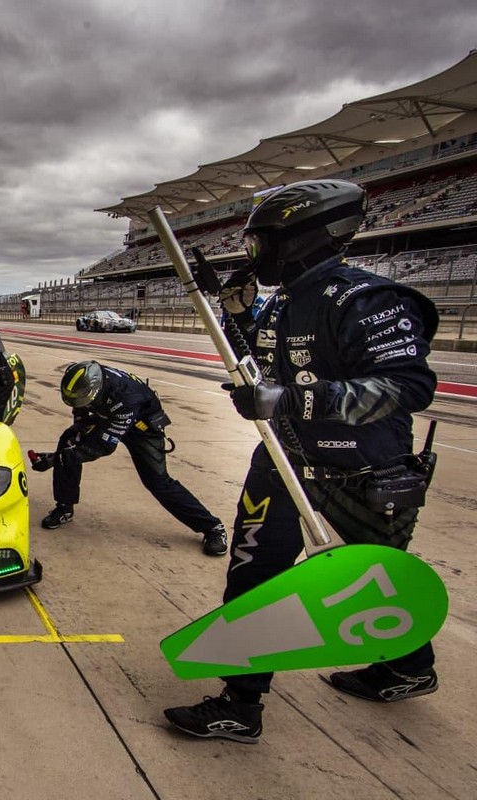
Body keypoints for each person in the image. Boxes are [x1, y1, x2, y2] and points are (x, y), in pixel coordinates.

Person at [164, 179, 440, 744]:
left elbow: (409, 385)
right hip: (283, 462)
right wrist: (234, 313)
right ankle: (240, 704)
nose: (252, 255)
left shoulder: (368, 300)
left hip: (361, 475)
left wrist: (288, 400)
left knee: (373, 584)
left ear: (301, 237)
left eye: (259, 242)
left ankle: (409, 666)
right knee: (254, 576)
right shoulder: (283, 303)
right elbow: (263, 368)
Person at [31, 360, 227, 556]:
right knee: (69, 444)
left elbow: (103, 446)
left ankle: (212, 527)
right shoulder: (83, 381)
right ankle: (64, 506)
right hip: (106, 416)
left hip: (141, 428)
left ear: (97, 392)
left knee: (158, 482)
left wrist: (55, 460)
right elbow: (81, 411)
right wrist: (77, 433)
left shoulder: (126, 397)